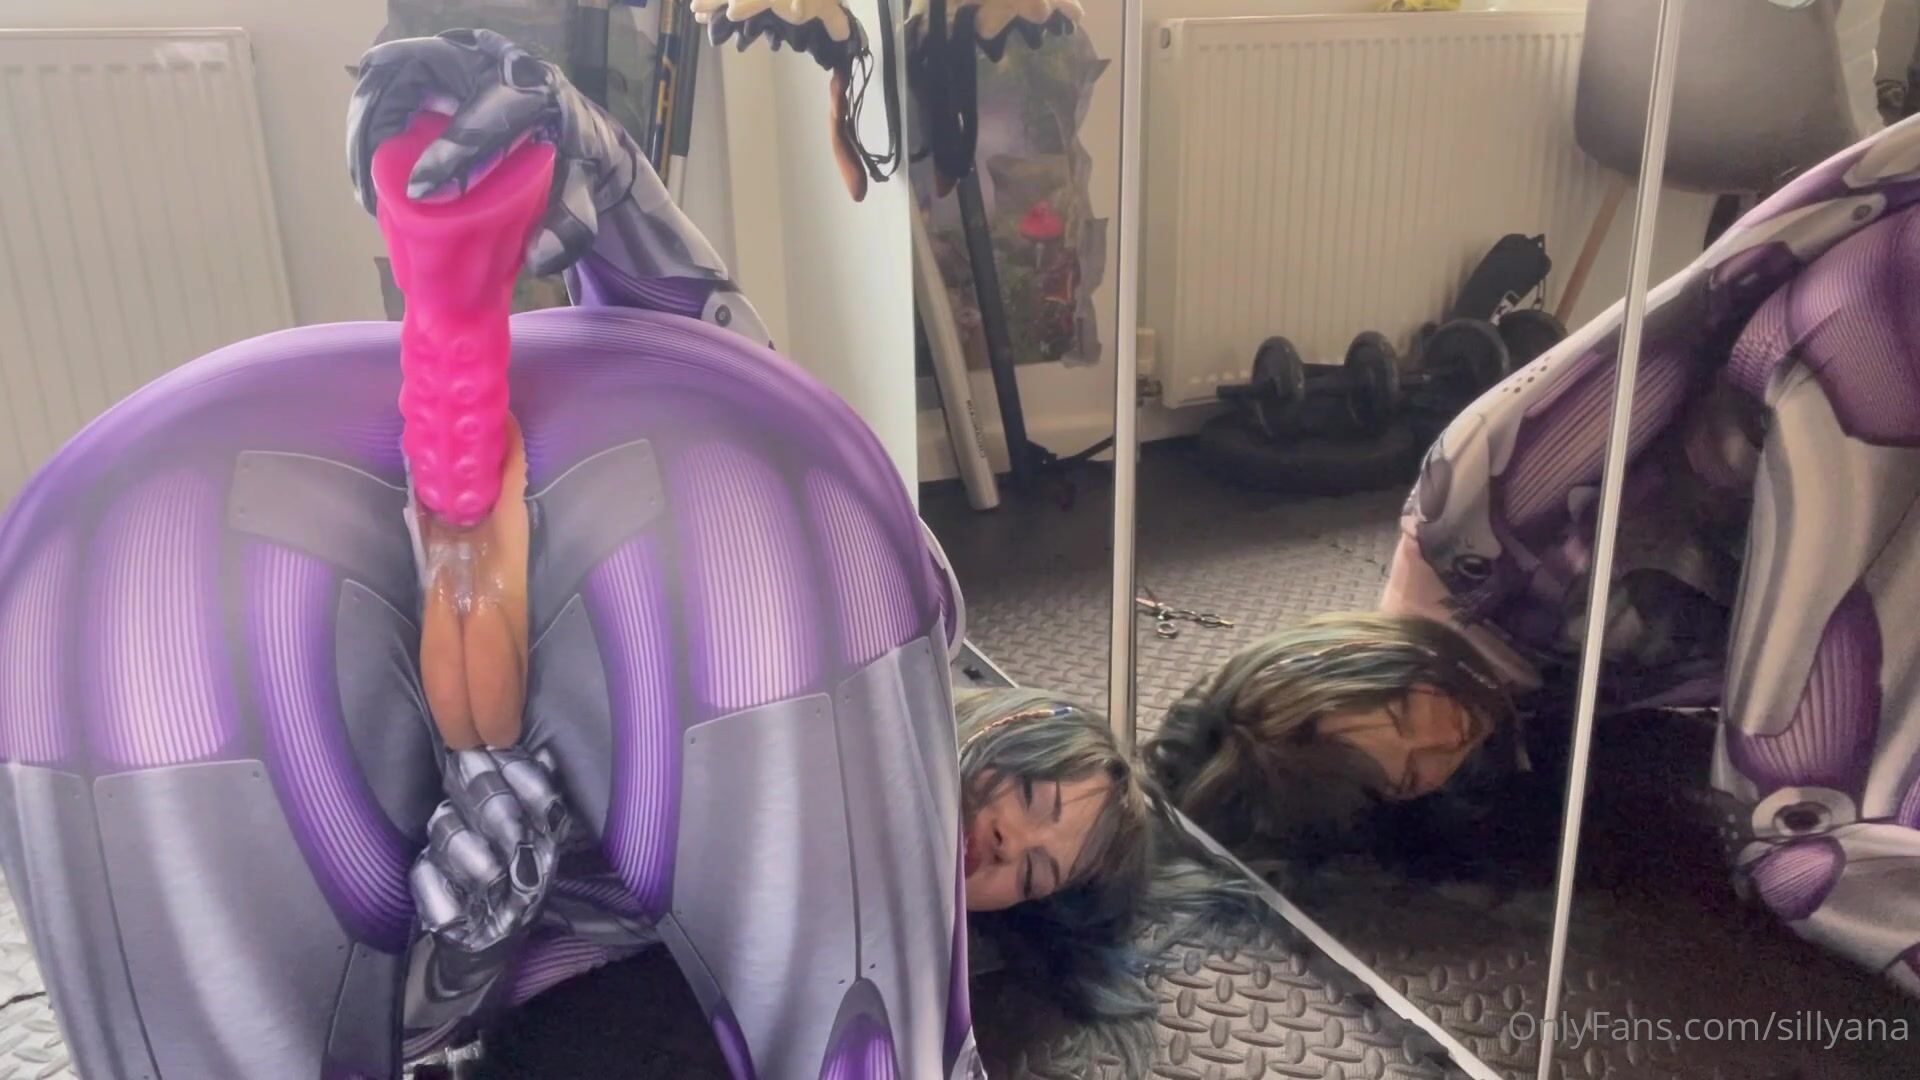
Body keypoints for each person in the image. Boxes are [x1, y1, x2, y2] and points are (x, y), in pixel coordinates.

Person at [1148, 113, 1920, 997]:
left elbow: (1706, 312)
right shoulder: (1510, 678)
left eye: (1402, 710)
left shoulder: (1477, 505)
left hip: (1849, 343)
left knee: (1800, 847)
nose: (1445, 739)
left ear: (1334, 656)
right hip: (1842, 446)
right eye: (1413, 775)